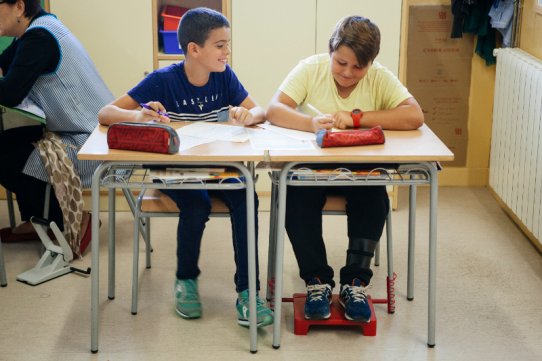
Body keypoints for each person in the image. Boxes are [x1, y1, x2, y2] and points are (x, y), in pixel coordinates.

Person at [98, 7, 273, 328]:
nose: (227, 51)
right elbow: (105, 113)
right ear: (194, 49)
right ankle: (186, 280)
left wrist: (252, 115)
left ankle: (249, 291)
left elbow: (259, 109)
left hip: (216, 168)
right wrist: (141, 115)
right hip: (172, 170)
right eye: (220, 45)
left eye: (228, 44)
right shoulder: (163, 80)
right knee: (197, 204)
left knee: (247, 196)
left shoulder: (225, 76)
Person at [266, 15, 424, 322]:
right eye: (340, 63)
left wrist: (356, 117)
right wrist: (309, 123)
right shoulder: (310, 68)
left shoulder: (379, 76)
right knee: (296, 198)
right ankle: (316, 281)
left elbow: (414, 116)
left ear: (370, 63)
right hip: (313, 168)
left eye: (358, 67)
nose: (348, 73)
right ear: (330, 52)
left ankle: (356, 282)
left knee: (374, 198)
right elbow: (275, 109)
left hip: (359, 169)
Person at [0, 0, 113, 255]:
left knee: (8, 159)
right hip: (85, 131)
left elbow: (9, 93)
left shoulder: (38, 39)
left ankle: (68, 221)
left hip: (90, 145)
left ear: (19, 6)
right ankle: (36, 219)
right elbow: (4, 66)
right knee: (10, 142)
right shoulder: (38, 29)